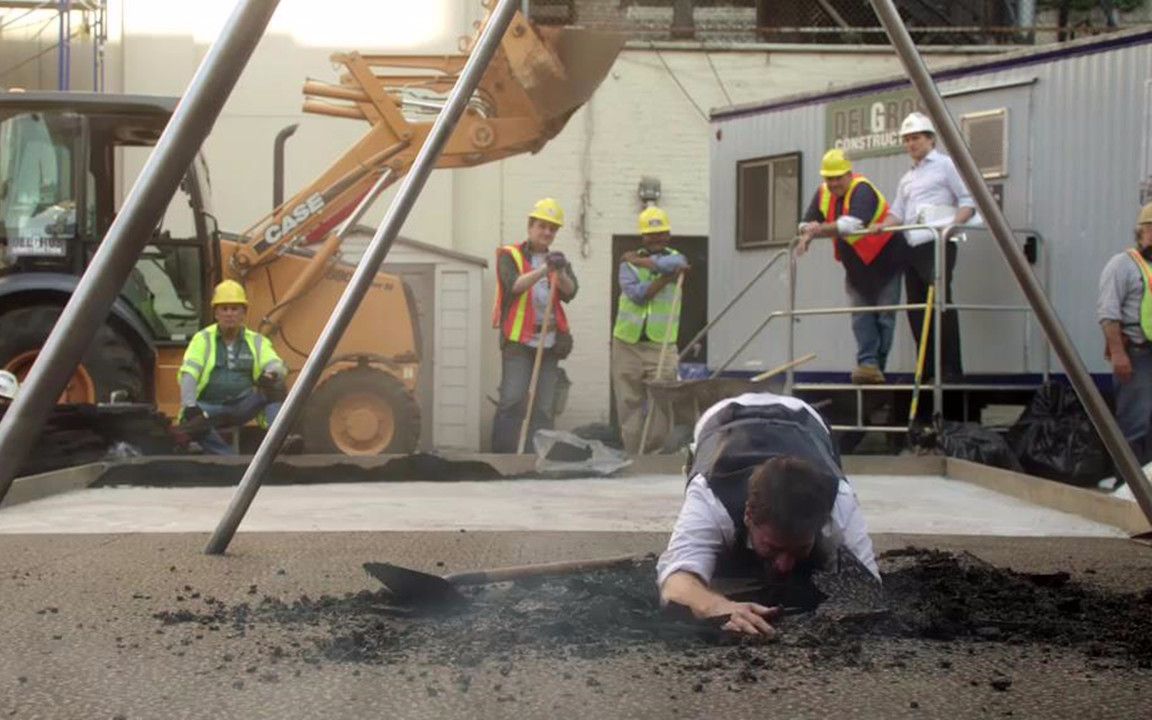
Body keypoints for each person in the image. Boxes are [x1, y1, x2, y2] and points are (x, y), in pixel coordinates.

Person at [657, 392, 878, 637]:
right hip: (723, 419)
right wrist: (717, 606)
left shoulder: (839, 501)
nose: (784, 565)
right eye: (773, 547)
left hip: (805, 422)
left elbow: (870, 593)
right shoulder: (711, 496)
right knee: (716, 567)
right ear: (748, 515)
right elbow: (674, 584)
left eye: (799, 548)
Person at [874, 111, 976, 380]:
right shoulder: (907, 178)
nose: (911, 144)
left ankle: (950, 369)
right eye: (907, 139)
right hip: (911, 244)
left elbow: (968, 200)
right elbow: (897, 212)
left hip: (937, 242)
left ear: (930, 139)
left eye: (916, 138)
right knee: (917, 308)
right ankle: (927, 369)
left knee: (940, 302)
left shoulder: (946, 165)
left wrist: (950, 227)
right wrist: (880, 226)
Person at [798, 149, 907, 384]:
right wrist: (808, 232)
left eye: (838, 177)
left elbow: (850, 225)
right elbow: (805, 222)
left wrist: (816, 230)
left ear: (849, 174)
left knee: (884, 317)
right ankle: (867, 365)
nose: (834, 183)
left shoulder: (862, 190)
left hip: (886, 260)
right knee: (860, 316)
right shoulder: (822, 194)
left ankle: (877, 366)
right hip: (856, 266)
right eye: (829, 178)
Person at [490, 198, 578, 453]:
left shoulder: (559, 260)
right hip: (519, 341)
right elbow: (513, 286)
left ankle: (538, 457)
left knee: (543, 405)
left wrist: (559, 272)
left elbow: (571, 291)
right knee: (513, 399)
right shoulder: (510, 255)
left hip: (549, 342)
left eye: (552, 229)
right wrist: (543, 271)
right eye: (542, 226)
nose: (547, 233)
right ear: (530, 226)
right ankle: (505, 457)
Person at [177, 279, 287, 455]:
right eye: (224, 308)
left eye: (235, 309)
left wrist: (271, 374)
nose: (229, 314)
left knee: (276, 388)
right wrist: (190, 406)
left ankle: (279, 441)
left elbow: (275, 364)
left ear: (244, 313)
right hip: (210, 407)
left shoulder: (256, 341)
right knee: (190, 421)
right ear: (216, 313)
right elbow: (189, 374)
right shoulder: (202, 339)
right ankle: (227, 457)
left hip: (243, 404)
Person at [612, 206, 690, 453]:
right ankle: (634, 454)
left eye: (660, 234)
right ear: (642, 236)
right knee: (629, 401)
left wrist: (639, 260)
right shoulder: (628, 267)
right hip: (627, 343)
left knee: (662, 401)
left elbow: (677, 262)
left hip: (661, 343)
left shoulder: (675, 257)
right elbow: (637, 296)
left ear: (667, 235)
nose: (656, 239)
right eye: (650, 234)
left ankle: (654, 454)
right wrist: (665, 278)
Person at [1098, 202, 1152, 466]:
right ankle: (1129, 486)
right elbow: (1108, 313)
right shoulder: (1122, 265)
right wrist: (1119, 354)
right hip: (1137, 354)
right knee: (1135, 423)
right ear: (1141, 232)